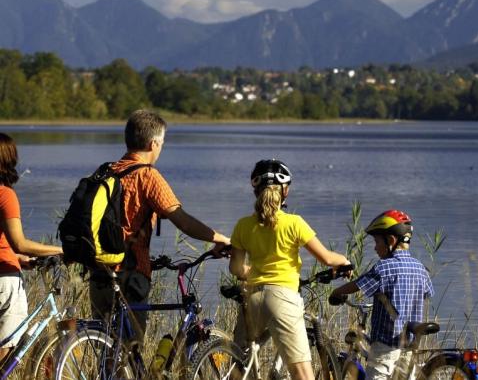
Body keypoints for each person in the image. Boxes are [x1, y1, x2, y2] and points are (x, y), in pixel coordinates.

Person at [88, 109, 230, 341]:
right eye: (162, 143)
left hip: (99, 271)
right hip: (131, 274)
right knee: (129, 353)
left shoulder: (106, 171)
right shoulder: (147, 176)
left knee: (105, 350)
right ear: (153, 143)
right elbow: (182, 221)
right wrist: (220, 239)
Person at [229, 159, 350, 380]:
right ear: (285, 191)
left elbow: (236, 268)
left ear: (255, 190)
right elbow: (326, 258)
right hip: (283, 298)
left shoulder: (243, 225)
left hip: (252, 297)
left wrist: (254, 273)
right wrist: (344, 261)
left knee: (239, 365)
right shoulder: (294, 223)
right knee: (302, 373)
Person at [329, 209, 434, 380]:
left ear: (391, 240)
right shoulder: (420, 267)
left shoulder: (383, 267)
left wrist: (337, 292)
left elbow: (358, 284)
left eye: (377, 241)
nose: (375, 247)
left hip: (385, 346)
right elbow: (427, 293)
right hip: (408, 344)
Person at [0, 133, 63, 361]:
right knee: (7, 350)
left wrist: (17, 258)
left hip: (8, 265)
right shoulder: (5, 195)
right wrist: (60, 250)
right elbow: (20, 243)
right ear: (9, 159)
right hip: (5, 282)